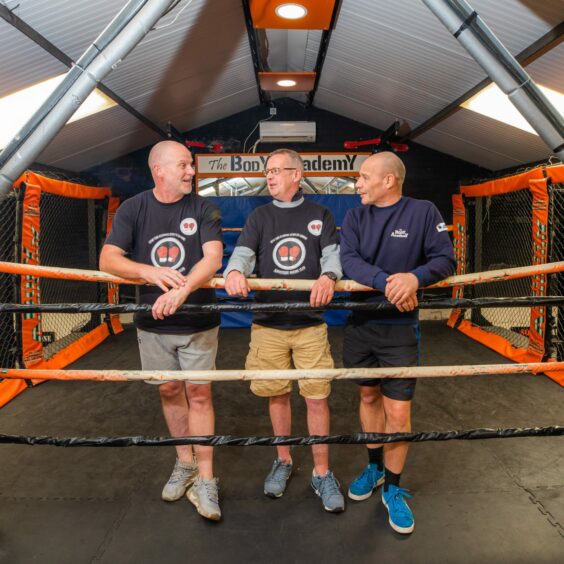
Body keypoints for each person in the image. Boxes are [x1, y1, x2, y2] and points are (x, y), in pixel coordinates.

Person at [99, 140, 224, 521]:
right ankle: (183, 462)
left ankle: (205, 478)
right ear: (160, 170)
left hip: (198, 319)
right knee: (169, 390)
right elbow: (107, 258)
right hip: (152, 322)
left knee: (199, 395)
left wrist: (183, 289)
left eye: (191, 165)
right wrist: (148, 271)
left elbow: (214, 256)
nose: (191, 171)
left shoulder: (202, 206)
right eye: (183, 165)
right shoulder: (135, 208)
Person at [223, 148, 345, 513]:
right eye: (267, 171)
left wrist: (328, 275)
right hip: (268, 323)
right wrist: (233, 272)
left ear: (297, 174)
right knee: (276, 394)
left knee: (316, 396)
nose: (269, 177)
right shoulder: (259, 216)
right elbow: (243, 253)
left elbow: (332, 256)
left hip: (309, 325)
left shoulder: (320, 214)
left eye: (276, 170)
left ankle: (322, 472)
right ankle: (284, 460)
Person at [340, 151, 456, 534]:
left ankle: (393, 488)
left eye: (364, 176)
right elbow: (349, 260)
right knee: (368, 397)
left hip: (400, 329)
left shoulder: (423, 212)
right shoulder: (356, 215)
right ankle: (373, 467)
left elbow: (445, 260)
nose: (358, 183)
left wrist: (415, 278)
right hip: (361, 324)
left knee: (399, 413)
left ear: (389, 180)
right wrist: (393, 283)